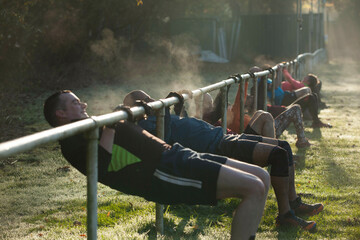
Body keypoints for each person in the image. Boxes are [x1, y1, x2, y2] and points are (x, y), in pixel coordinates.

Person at [43, 90, 273, 240]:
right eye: (75, 102)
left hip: (174, 155)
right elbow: (101, 166)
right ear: (60, 113)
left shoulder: (89, 127)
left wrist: (135, 115)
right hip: (161, 171)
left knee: (261, 177)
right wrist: (113, 123)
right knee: (253, 187)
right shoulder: (72, 141)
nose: (83, 103)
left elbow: (124, 139)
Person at [123, 90, 324, 232]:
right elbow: (159, 132)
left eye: (149, 98)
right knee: (278, 154)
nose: (151, 101)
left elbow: (173, 118)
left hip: (222, 137)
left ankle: (294, 202)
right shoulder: (149, 126)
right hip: (218, 147)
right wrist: (165, 103)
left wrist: (174, 100)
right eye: (146, 100)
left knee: (284, 147)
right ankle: (285, 215)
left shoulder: (158, 117)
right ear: (137, 108)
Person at [199, 82, 310, 148]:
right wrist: (244, 82)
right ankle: (278, 150)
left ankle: (280, 149)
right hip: (243, 140)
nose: (211, 105)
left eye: (211, 102)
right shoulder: (213, 117)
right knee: (266, 114)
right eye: (208, 103)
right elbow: (238, 100)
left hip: (254, 134)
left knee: (261, 113)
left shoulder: (239, 113)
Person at [251, 65, 332, 128]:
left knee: (312, 96)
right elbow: (275, 86)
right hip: (284, 99)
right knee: (308, 93)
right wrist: (278, 72)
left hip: (286, 95)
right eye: (258, 71)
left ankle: (315, 121)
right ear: (254, 74)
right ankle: (314, 120)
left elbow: (277, 85)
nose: (261, 71)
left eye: (260, 70)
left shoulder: (265, 79)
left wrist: (279, 72)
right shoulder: (260, 82)